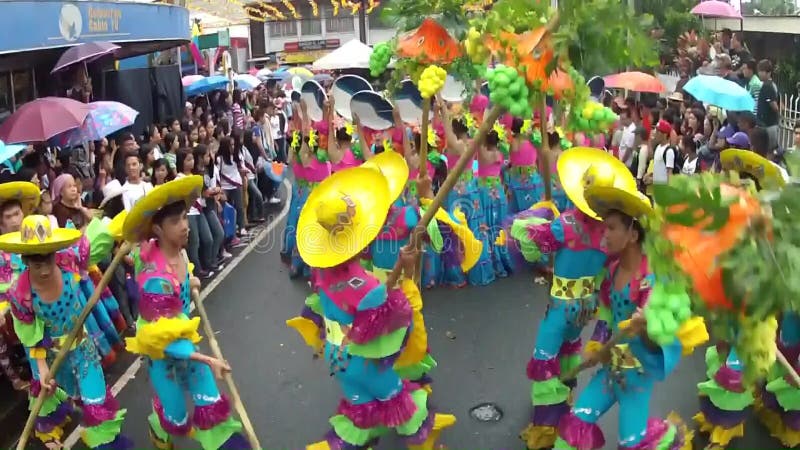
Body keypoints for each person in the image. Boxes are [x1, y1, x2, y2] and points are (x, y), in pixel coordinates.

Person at [291, 166, 455, 450]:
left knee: (360, 420)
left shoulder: (321, 270)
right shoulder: (360, 283)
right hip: (362, 361)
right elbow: (396, 312)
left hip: (337, 357)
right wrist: (404, 267)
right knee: (408, 410)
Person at [553, 184, 702, 450]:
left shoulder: (654, 282)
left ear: (633, 234)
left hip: (636, 380)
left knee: (631, 445)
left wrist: (647, 327)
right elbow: (606, 319)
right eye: (603, 227)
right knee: (573, 428)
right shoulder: (610, 272)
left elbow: (661, 341)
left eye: (611, 228)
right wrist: (597, 347)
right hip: (610, 372)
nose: (604, 234)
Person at [513, 148, 638, 450]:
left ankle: (546, 427)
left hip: (559, 307)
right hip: (585, 308)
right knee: (569, 350)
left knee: (545, 359)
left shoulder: (566, 223)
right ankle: (564, 405)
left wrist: (538, 216)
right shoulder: (609, 236)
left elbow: (531, 246)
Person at [122, 176, 251, 449]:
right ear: (157, 229)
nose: (184, 226)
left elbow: (180, 276)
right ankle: (159, 423)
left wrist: (188, 280)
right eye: (175, 222)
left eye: (184, 218)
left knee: (211, 407)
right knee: (176, 419)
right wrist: (207, 358)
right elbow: (161, 338)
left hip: (185, 341)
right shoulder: (154, 279)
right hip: (163, 351)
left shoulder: (178, 250)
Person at [2, 215, 132, 449]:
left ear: (56, 254)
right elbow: (30, 335)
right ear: (25, 260)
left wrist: (124, 236)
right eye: (36, 264)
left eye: (48, 261)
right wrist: (42, 369)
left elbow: (101, 238)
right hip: (51, 357)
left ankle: (105, 444)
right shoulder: (21, 293)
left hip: (83, 350)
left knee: (97, 402)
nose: (44, 270)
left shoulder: (70, 260)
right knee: (63, 401)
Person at [0, 182, 40, 392]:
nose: (15, 220)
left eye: (17, 214)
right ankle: (18, 379)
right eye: (8, 217)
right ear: (1, 223)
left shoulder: (34, 237)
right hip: (12, 305)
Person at [756, 59, 780, 152]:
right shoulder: (772, 84)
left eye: (761, 71)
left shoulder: (767, 86)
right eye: (759, 71)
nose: (759, 74)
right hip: (769, 124)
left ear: (768, 72)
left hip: (768, 125)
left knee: (768, 151)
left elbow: (774, 105)